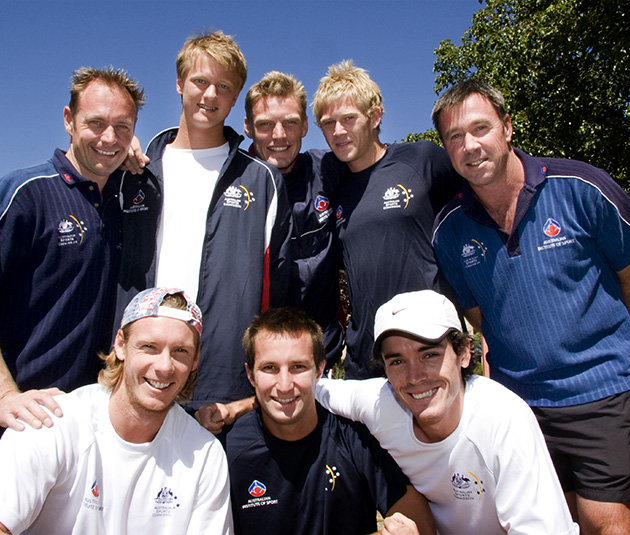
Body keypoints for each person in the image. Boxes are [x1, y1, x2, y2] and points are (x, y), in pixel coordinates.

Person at [431, 79, 630, 534]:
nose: (470, 145)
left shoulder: (581, 187)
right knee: (548, 525)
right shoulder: (449, 231)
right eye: (455, 137)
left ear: (508, 128)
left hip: (600, 394)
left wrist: (604, 344)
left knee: (604, 522)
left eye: (480, 129)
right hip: (519, 407)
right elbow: (481, 318)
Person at [0, 67, 145, 490]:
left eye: (122, 127)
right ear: (69, 120)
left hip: (87, 428)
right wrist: (3, 397)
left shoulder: (123, 199)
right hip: (17, 427)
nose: (109, 138)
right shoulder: (24, 192)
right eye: (95, 123)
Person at [0, 287, 232, 534]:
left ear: (195, 360)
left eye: (180, 351)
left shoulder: (204, 454)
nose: (164, 366)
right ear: (121, 345)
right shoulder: (53, 421)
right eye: (149, 346)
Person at [117, 31, 291, 412]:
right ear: (179, 83)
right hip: (136, 374)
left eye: (223, 86)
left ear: (235, 96)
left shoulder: (262, 182)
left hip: (223, 389)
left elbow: (279, 290)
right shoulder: (133, 171)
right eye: (200, 81)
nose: (210, 95)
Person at [316, 290, 578, 535]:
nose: (414, 376)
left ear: (463, 353)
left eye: (429, 355)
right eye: (397, 361)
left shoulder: (502, 419)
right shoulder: (382, 404)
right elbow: (312, 389)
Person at [206, 307, 435, 535]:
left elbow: (418, 524)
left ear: (319, 370)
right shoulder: (226, 450)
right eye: (270, 368)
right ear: (250, 374)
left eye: (298, 367)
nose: (284, 385)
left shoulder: (355, 438)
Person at [311, 59, 461, 379]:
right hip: (366, 365)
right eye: (328, 122)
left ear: (375, 116)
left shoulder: (422, 160)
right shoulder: (334, 190)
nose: (338, 131)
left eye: (349, 118)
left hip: (430, 353)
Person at [243, 71, 344, 369]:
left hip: (325, 358)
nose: (279, 136)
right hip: (259, 363)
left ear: (304, 126)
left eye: (290, 122)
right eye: (265, 124)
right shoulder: (230, 184)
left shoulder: (330, 169)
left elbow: (379, 163)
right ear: (248, 127)